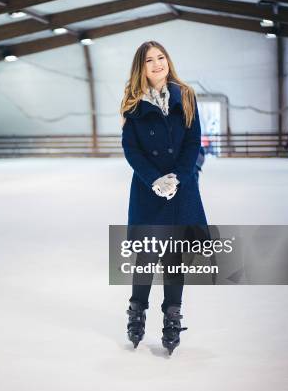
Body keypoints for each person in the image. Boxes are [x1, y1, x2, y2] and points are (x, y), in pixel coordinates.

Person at [120, 41, 207, 355]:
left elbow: (193, 141)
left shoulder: (186, 96)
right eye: (149, 60)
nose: (157, 64)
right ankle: (137, 310)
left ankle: (172, 314)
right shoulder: (133, 104)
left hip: (181, 190)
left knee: (174, 257)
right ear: (140, 68)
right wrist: (154, 179)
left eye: (161, 57)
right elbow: (132, 149)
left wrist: (178, 177)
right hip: (148, 190)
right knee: (146, 258)